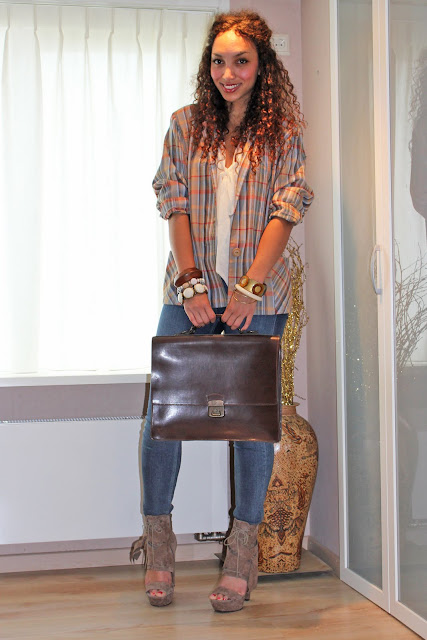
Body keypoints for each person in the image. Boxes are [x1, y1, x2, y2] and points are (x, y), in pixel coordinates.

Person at [130, 10, 314, 613]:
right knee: (164, 418)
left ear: (263, 66)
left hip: (259, 298)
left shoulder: (281, 133)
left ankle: (241, 556)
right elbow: (174, 202)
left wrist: (249, 289)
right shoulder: (185, 125)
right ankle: (159, 546)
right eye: (218, 61)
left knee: (252, 424)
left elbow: (287, 208)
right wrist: (190, 283)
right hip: (188, 293)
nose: (227, 72)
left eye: (241, 61)